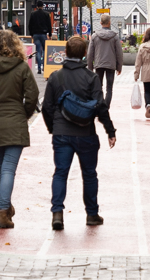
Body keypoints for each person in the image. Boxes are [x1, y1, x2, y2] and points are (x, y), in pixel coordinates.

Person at [40, 33, 118, 231]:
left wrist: (53, 128)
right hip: (86, 133)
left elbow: (47, 107)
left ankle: (57, 213)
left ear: (65, 52)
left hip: (62, 133)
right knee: (89, 174)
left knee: (60, 173)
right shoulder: (91, 78)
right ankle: (91, 214)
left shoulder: (56, 77)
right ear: (84, 53)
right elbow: (100, 107)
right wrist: (110, 131)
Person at [0, 29, 39, 228]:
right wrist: (24, 113)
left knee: (0, 168)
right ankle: (2, 210)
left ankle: (5, 207)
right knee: (9, 169)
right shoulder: (21, 67)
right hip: (15, 122)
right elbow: (32, 95)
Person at [88, 15, 124, 104]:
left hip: (99, 64)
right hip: (111, 65)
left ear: (100, 23)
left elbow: (90, 53)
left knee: (98, 87)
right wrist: (119, 67)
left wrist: (90, 67)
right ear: (109, 22)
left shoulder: (95, 36)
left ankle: (100, 105)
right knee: (109, 88)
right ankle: (106, 106)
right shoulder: (114, 37)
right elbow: (119, 53)